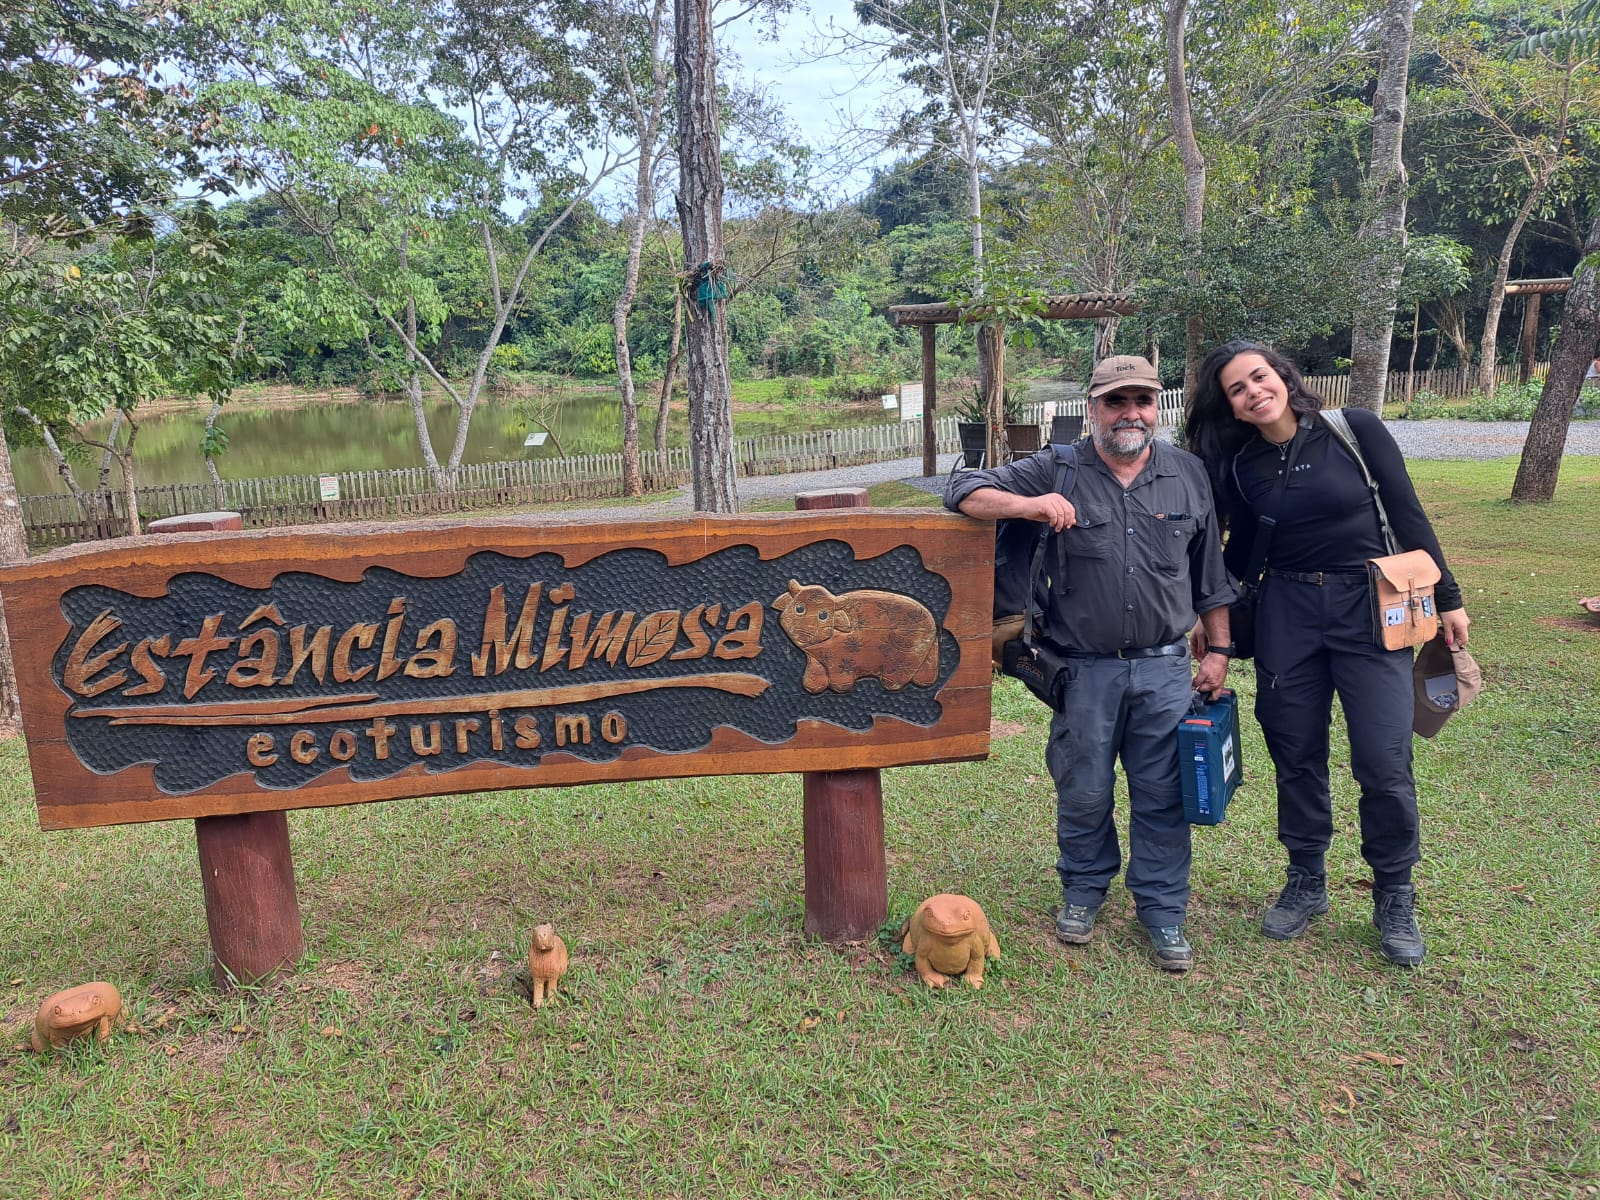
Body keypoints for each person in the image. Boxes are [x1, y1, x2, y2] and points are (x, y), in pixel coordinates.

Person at [1184, 341, 1471, 968]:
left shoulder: (1353, 430)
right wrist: (1213, 622)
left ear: (1282, 376)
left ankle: (1394, 892)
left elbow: (1407, 512)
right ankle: (1307, 878)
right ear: (1230, 406)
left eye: (1259, 376)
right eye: (1237, 388)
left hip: (1369, 608)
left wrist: (1448, 597)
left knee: (1383, 757)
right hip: (1287, 614)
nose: (1253, 391)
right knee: (1295, 752)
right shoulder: (1238, 467)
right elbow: (1235, 556)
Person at [946, 355, 1234, 972]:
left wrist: (1221, 647)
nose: (1131, 413)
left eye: (1143, 401)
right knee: (1082, 790)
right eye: (1116, 401)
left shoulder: (1188, 474)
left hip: (1163, 670)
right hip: (1082, 670)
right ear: (1093, 406)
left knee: (1163, 794)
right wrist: (1032, 505)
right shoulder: (1058, 467)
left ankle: (1162, 910)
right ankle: (1082, 890)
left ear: (1157, 407)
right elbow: (961, 490)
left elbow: (1210, 574)